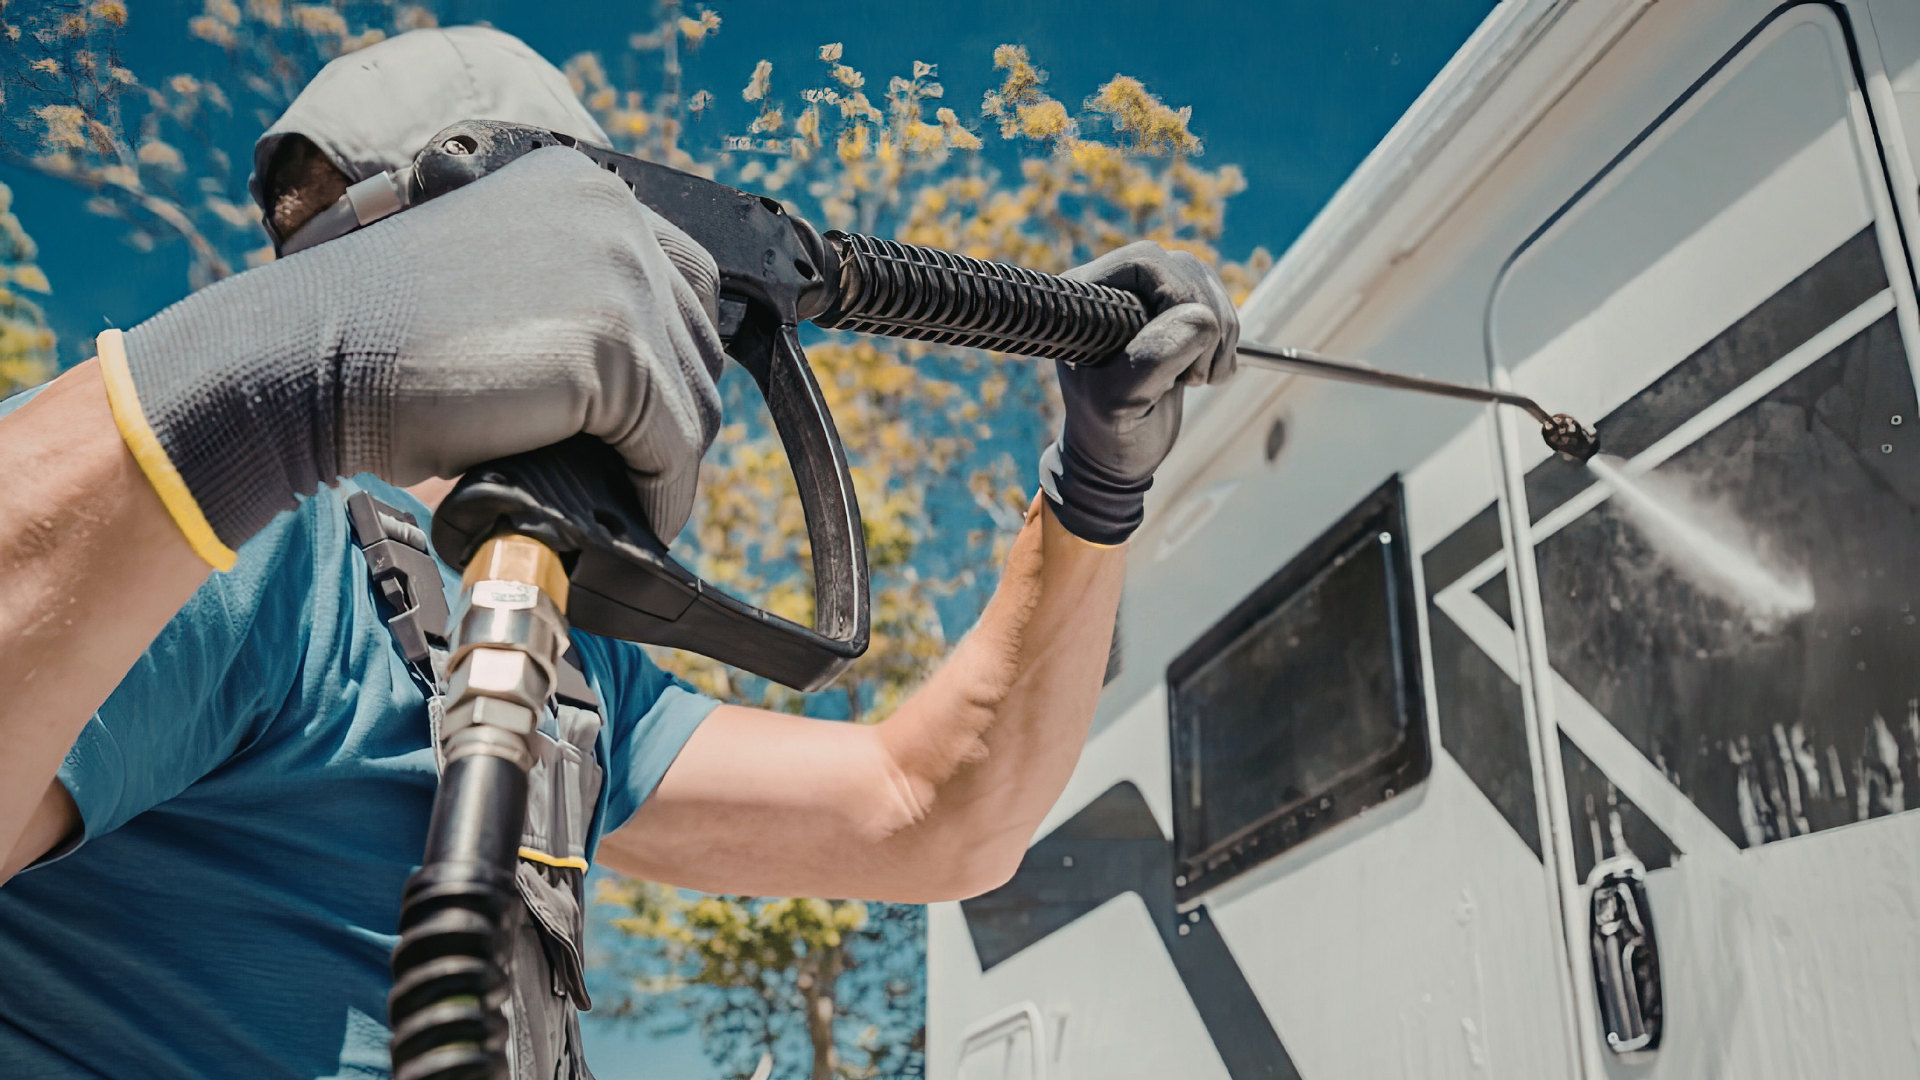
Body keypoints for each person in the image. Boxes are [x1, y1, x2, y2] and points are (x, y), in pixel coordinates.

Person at [0, 26, 1238, 1080]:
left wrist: (1093, 491)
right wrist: (282, 383)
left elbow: (932, 815)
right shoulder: (247, 554)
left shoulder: (546, 659)